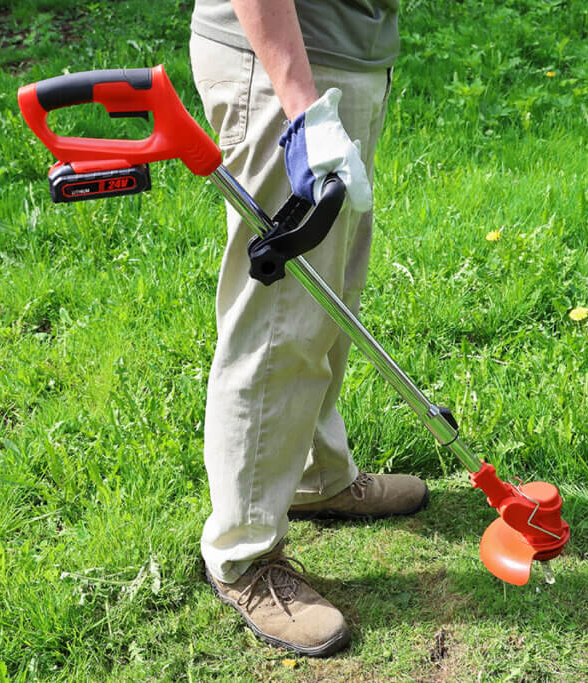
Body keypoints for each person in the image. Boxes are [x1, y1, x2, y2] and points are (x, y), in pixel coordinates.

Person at [189, 0, 427, 657]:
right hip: (285, 70)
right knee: (279, 319)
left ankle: (315, 476)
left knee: (329, 300)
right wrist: (302, 105)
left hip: (344, 57)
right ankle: (244, 552)